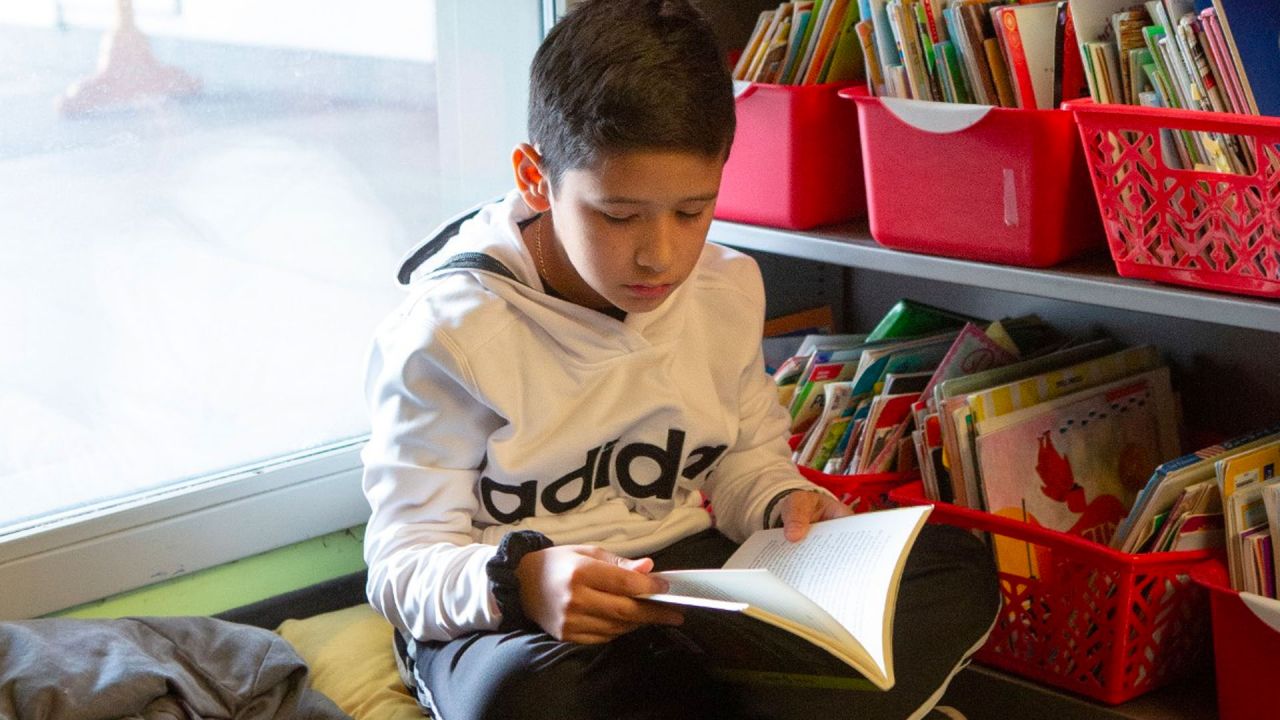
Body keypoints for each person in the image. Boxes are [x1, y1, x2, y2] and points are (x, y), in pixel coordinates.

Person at [360, 2, 998, 718]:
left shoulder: (724, 288)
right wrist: (527, 581)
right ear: (535, 178)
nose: (660, 256)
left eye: (693, 211)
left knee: (955, 566)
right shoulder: (449, 332)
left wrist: (781, 503)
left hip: (682, 586)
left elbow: (742, 458)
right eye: (619, 216)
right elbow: (402, 563)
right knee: (525, 700)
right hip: (522, 620)